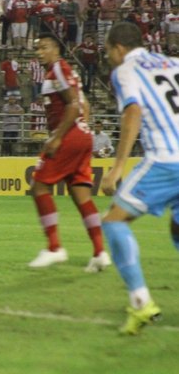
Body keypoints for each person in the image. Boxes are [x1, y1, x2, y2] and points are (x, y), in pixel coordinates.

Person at [100, 22, 179, 334]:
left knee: (114, 221)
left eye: (108, 51)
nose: (108, 58)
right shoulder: (173, 62)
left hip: (166, 160)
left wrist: (117, 168)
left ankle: (140, 302)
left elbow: (132, 111)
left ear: (119, 48)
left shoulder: (125, 71)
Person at [28, 33, 110, 272]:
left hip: (70, 135)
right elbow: (85, 105)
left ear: (55, 49)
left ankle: (54, 248)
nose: (38, 52)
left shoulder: (59, 69)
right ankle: (99, 252)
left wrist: (58, 137)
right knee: (81, 196)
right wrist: (84, 127)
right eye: (37, 48)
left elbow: (74, 104)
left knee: (39, 187)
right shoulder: (64, 72)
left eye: (43, 47)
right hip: (82, 136)